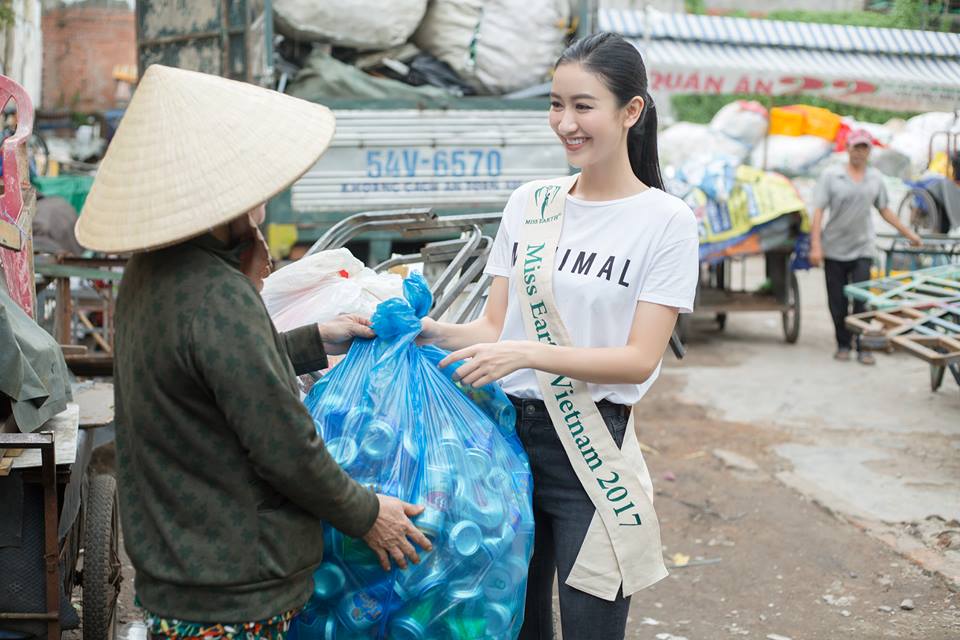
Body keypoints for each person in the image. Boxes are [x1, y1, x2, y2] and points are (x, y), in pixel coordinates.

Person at [74, 65, 431, 639]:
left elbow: (210, 372)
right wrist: (369, 515)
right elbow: (284, 444)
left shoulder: (153, 272)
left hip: (182, 563)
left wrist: (315, 339)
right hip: (231, 584)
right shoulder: (217, 295)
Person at [419, 33, 699, 640]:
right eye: (555, 104)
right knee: (510, 625)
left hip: (592, 453)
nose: (565, 123)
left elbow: (638, 359)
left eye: (583, 105)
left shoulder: (666, 222)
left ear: (632, 111)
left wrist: (527, 352)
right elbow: (492, 328)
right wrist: (429, 331)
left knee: (592, 622)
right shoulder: (530, 204)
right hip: (506, 444)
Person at [809, 129, 922, 365]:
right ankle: (842, 343)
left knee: (862, 300)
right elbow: (818, 210)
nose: (859, 153)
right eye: (855, 147)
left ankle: (862, 346)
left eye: (864, 148)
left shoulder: (875, 178)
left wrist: (909, 233)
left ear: (869, 152)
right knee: (837, 301)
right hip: (835, 248)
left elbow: (885, 209)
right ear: (848, 149)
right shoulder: (832, 176)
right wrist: (816, 246)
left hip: (863, 247)